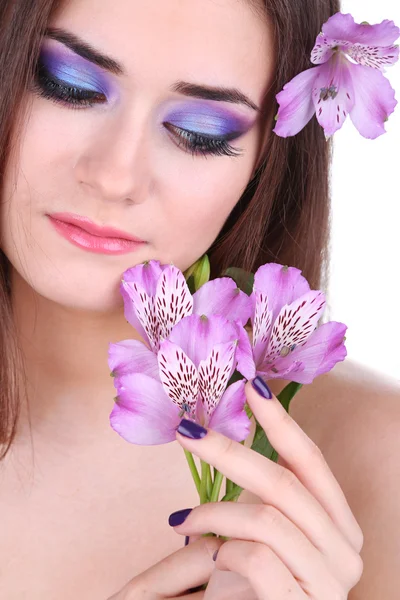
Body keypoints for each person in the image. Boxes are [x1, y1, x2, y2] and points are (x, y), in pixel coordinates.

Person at [0, 0, 399, 598]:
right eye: (70, 85)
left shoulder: (377, 466)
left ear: (267, 157)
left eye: (200, 133)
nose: (115, 176)